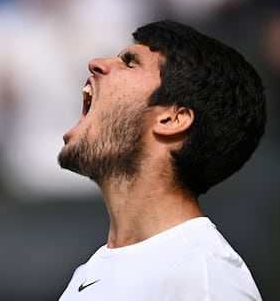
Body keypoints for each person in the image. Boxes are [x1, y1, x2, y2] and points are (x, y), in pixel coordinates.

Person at [57, 20, 266, 300]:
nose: (96, 64)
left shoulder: (203, 277)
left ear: (172, 119)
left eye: (131, 63)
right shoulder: (88, 272)